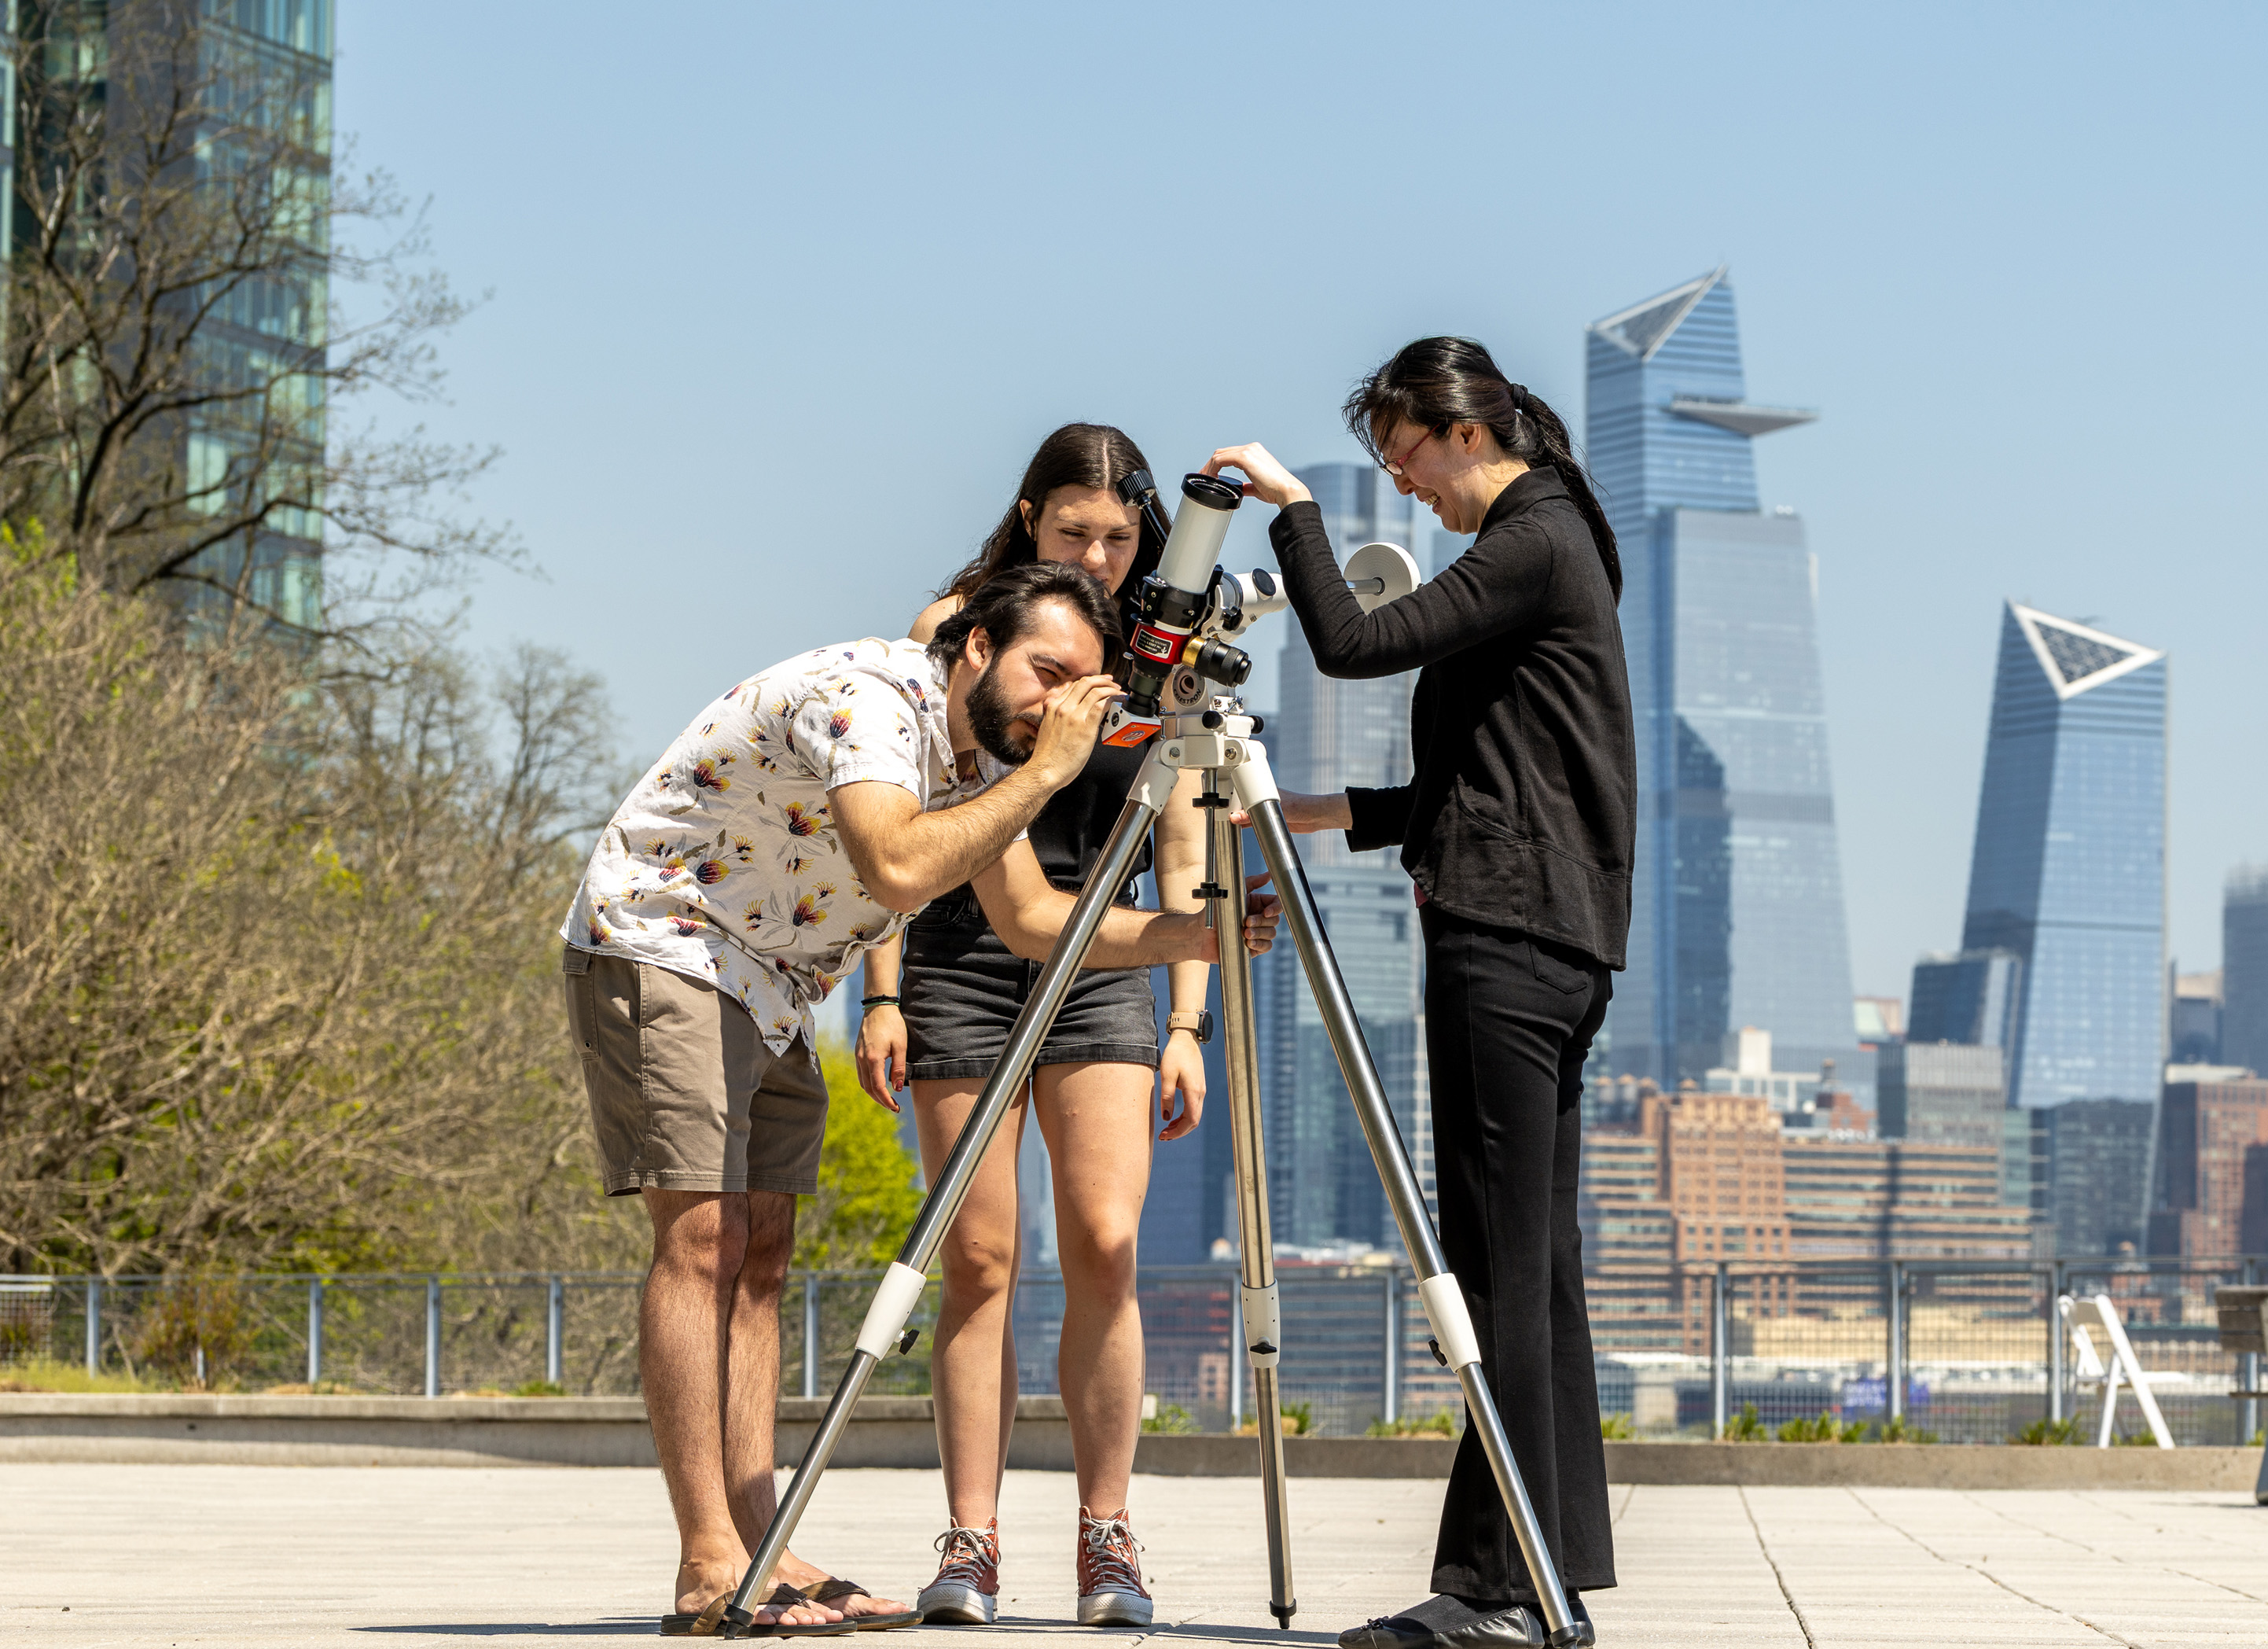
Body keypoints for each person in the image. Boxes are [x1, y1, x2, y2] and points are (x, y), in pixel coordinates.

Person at [560, 561, 1264, 1638]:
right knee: (703, 1236)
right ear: (976, 646)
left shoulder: (978, 756)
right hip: (665, 936)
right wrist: (1043, 775)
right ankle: (709, 1561)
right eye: (1047, 671)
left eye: (1085, 684)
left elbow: (1032, 919)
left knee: (761, 1253)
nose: (1063, 702)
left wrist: (1193, 938)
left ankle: (763, 1544)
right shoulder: (877, 702)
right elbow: (894, 868)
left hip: (775, 975)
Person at [1202, 338, 1635, 1649]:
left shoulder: (1531, 535)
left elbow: (1348, 643)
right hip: (1558, 932)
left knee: (1494, 1274)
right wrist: (1339, 811)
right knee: (1534, 1270)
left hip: (1507, 940)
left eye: (1402, 457)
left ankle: (1495, 1591)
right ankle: (1545, 1570)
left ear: (1460, 427)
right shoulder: (1561, 544)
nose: (1407, 488)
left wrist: (1297, 508)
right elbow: (1506, 773)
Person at [850, 424, 1255, 1629]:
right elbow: (894, 820)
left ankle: (1108, 1537)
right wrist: (879, 991)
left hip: (1107, 954)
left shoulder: (1158, 644)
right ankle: (969, 1539)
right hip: (966, 955)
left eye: (1121, 536)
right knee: (975, 1258)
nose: (1099, 551)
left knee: (1105, 1241)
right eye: (1075, 530)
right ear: (1030, 518)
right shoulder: (958, 628)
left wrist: (1191, 1017)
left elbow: (1186, 828)